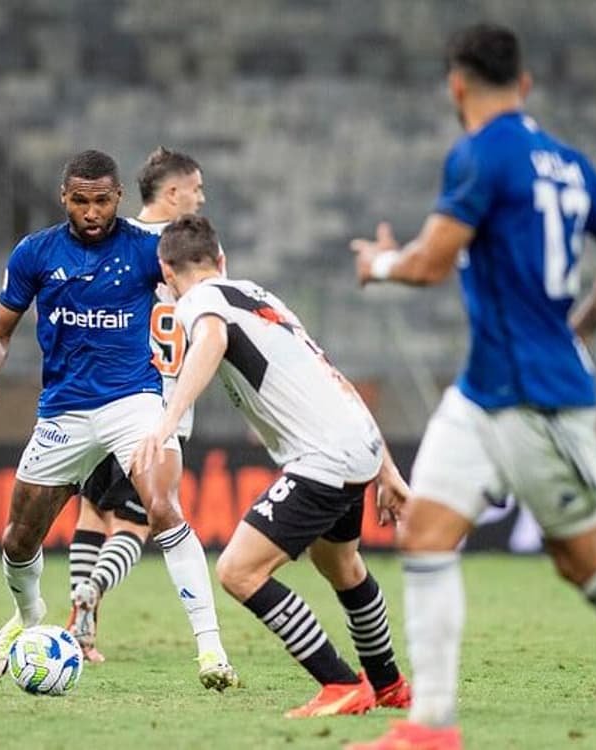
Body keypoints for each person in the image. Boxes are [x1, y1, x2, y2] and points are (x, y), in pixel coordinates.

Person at [343, 24, 596, 750]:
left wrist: (380, 266)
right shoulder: (567, 162)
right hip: (486, 389)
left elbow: (427, 266)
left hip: (538, 401)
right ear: (526, 84)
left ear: (457, 86)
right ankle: (431, 728)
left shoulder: (481, 155)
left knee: (582, 559)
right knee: (425, 531)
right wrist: (580, 327)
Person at [0, 149, 238, 691]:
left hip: (132, 403)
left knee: (163, 508)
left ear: (119, 199)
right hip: (63, 409)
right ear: (64, 197)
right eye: (80, 201)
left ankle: (212, 651)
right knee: (18, 539)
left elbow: (199, 299)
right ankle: (29, 616)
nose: (91, 212)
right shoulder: (35, 253)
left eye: (102, 201)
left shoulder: (145, 250)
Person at [132, 214, 413, 718]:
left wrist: (164, 422)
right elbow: (332, 377)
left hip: (324, 456)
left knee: (239, 571)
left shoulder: (200, 300)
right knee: (340, 564)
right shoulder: (263, 299)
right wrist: (387, 469)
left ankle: (340, 684)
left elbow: (213, 341)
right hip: (357, 443)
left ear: (166, 271)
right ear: (222, 259)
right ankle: (389, 684)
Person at [66, 146, 209, 663]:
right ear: (173, 193)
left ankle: (81, 634)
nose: (201, 197)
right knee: (136, 523)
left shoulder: (109, 239)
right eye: (196, 188)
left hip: (102, 399)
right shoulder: (186, 257)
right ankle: (94, 590)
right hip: (159, 410)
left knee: (90, 508)